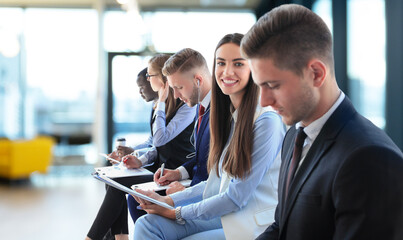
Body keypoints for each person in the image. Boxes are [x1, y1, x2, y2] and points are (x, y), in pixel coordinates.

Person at [240, 4, 403, 240]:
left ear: (316, 73)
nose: (264, 101)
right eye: (259, 85)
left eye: (273, 85)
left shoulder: (371, 158)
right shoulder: (293, 137)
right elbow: (280, 228)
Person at [132, 33, 285, 240]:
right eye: (221, 63)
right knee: (147, 225)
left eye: (238, 64)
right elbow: (216, 183)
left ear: (253, 69)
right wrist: (169, 202)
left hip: (252, 221)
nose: (227, 71)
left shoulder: (266, 121)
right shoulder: (231, 118)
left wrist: (177, 211)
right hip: (228, 213)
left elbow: (235, 197)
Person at [86, 59, 197, 240]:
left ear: (161, 79)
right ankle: (118, 237)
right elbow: (155, 144)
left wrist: (161, 100)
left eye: (149, 75)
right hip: (161, 169)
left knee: (117, 185)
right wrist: (138, 157)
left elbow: (160, 139)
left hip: (176, 171)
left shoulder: (185, 107)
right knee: (112, 180)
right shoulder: (158, 107)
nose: (147, 79)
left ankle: (95, 238)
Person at [127, 48, 212, 224]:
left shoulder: (202, 110)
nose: (177, 95)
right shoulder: (200, 108)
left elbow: (218, 173)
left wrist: (183, 191)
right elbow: (202, 158)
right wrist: (178, 173)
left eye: (179, 88)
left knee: (146, 223)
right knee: (135, 201)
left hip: (202, 193)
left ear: (198, 80)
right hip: (186, 180)